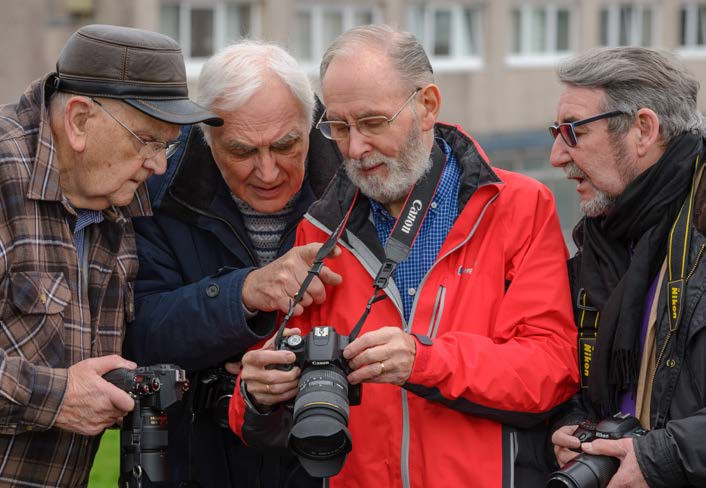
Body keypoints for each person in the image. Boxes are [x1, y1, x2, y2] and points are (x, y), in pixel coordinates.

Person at [229, 25, 579, 488]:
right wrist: (255, 394)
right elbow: (277, 407)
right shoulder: (319, 230)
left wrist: (423, 360)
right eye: (339, 127)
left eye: (372, 122)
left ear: (427, 105)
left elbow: (551, 370)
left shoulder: (519, 206)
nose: (355, 148)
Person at [0, 24, 221, 487]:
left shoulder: (114, 197)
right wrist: (56, 398)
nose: (159, 165)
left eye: (168, 144)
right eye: (147, 140)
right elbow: (66, 391)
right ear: (79, 120)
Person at [123, 41, 341, 487]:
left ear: (311, 124)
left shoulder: (356, 188)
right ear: (206, 138)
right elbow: (134, 335)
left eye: (286, 145)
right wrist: (242, 293)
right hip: (197, 463)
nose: (268, 172)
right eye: (242, 152)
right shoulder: (156, 193)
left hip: (328, 463)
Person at [548, 47, 706, 487]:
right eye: (556, 133)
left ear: (643, 129)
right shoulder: (602, 241)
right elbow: (579, 380)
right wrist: (572, 425)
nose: (557, 156)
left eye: (573, 132)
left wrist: (661, 457)